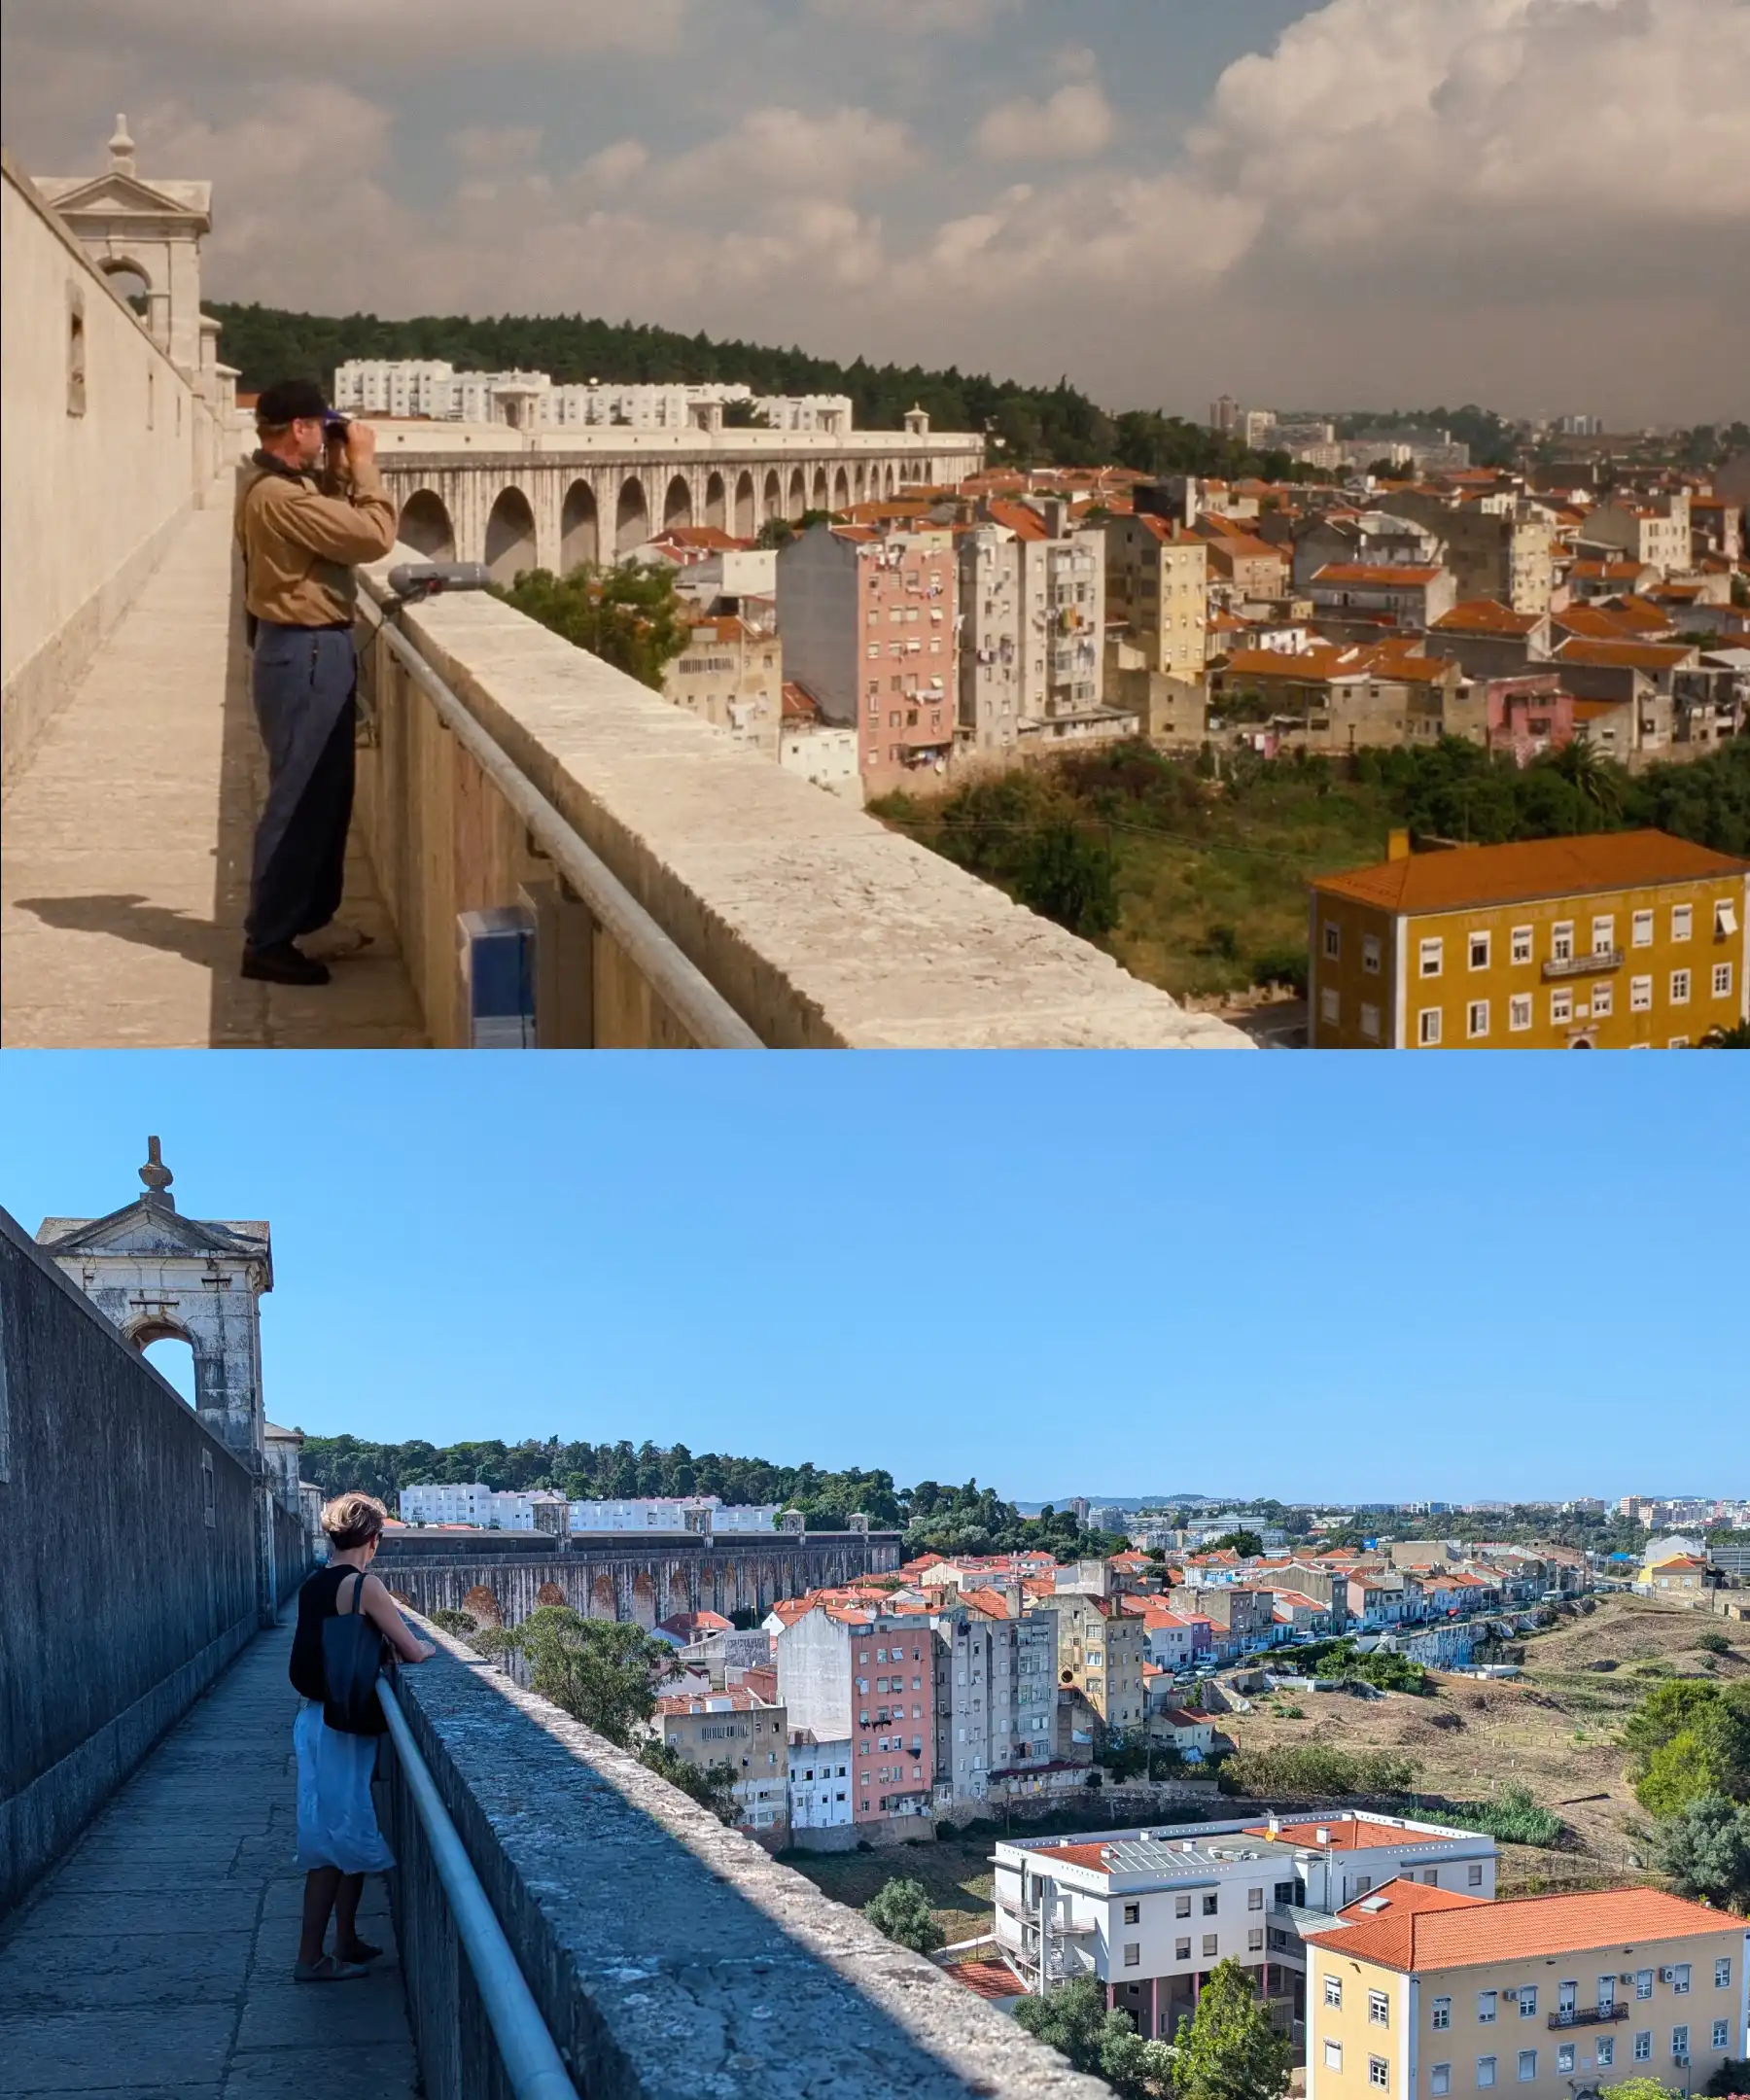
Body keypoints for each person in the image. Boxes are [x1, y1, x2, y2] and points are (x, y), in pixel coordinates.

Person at [235, 379, 398, 987]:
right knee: (298, 800)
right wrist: (363, 465)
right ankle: (269, 940)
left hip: (308, 650)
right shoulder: (279, 496)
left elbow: (329, 523)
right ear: (300, 427)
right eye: (319, 427)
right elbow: (372, 536)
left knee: (326, 798)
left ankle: (308, 920)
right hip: (303, 651)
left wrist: (334, 470)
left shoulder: (283, 488)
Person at [288, 1491, 434, 1981]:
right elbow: (412, 1650)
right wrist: (425, 1649)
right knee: (333, 1840)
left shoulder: (312, 1585)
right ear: (373, 1539)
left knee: (344, 1831)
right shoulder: (363, 1586)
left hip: (316, 1719)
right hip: (342, 1725)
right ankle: (310, 1959)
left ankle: (345, 1939)